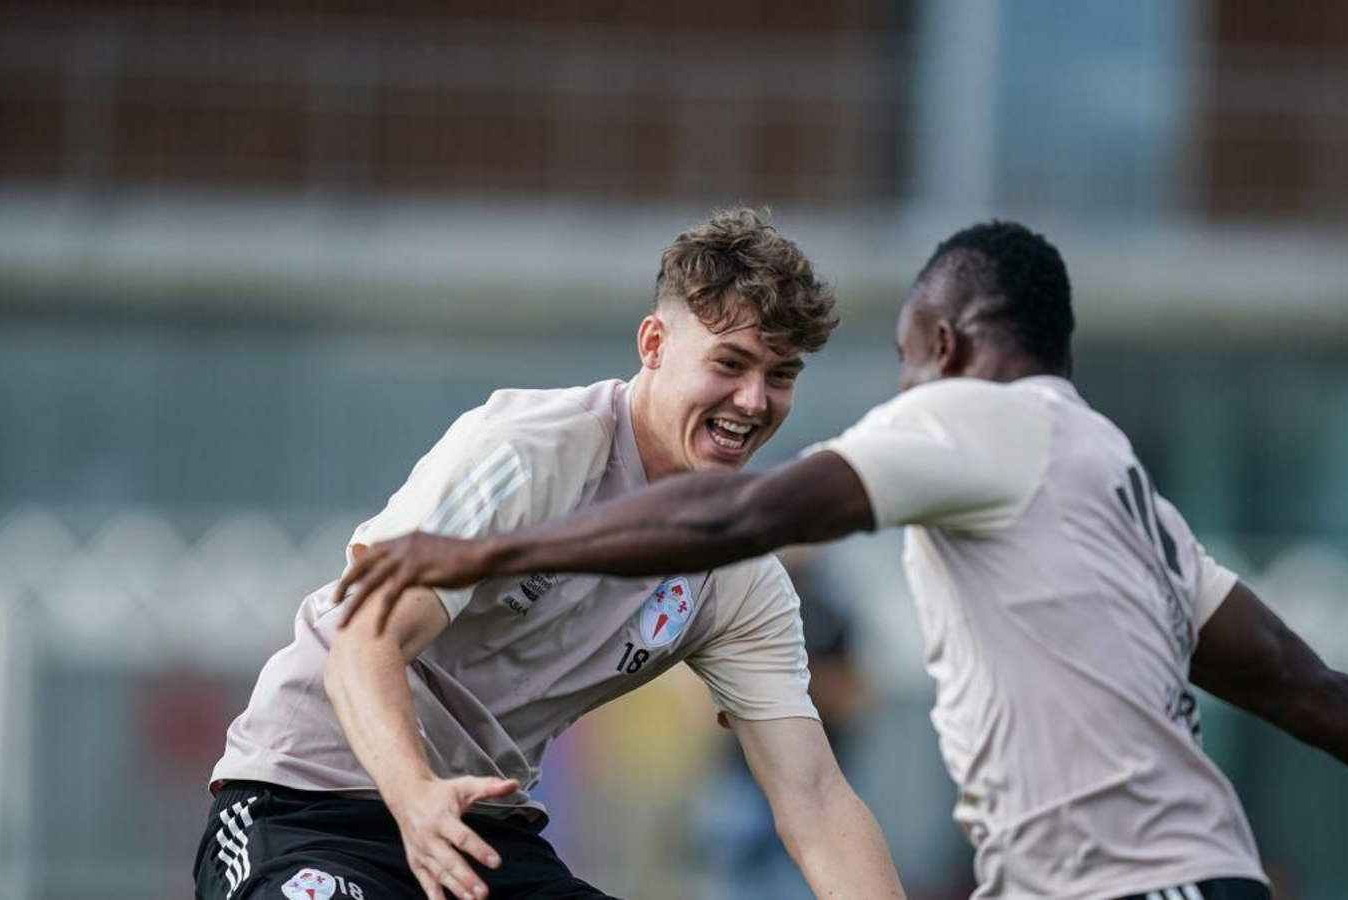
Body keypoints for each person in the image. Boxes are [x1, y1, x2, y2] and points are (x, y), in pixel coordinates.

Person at [339, 222, 1348, 900]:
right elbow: (1312, 689)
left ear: (940, 339)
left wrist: (488, 547)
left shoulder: (971, 418)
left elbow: (737, 520)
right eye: (735, 367)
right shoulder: (1123, 488)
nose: (773, 401)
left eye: (893, 360)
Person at [196, 208, 905, 900]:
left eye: (780, 375)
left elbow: (814, 797)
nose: (753, 401)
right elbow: (364, 640)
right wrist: (414, 797)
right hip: (306, 806)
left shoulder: (743, 578)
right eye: (730, 363)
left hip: (483, 833)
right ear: (653, 345)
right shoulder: (527, 451)